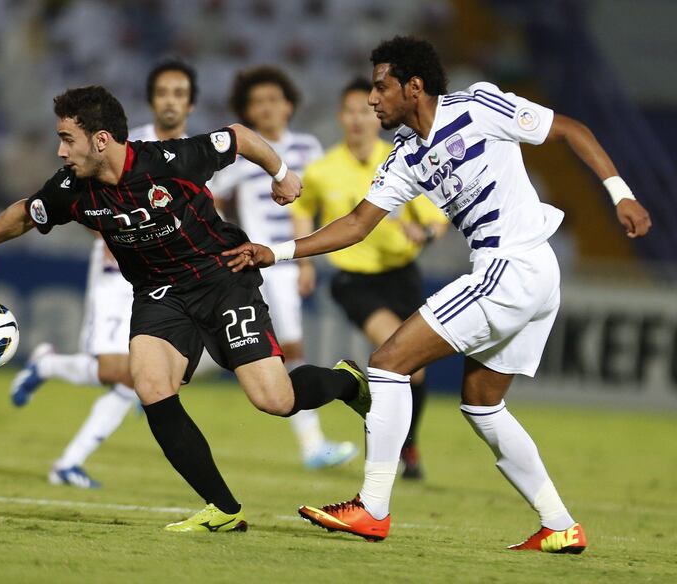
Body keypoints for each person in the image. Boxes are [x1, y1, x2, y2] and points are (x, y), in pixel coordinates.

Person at [224, 36, 651, 549]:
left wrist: (621, 195)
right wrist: (279, 252)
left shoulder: (478, 105)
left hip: (512, 265)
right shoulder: (405, 156)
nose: (372, 100)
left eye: (381, 87)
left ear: (415, 86)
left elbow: (569, 130)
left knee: (386, 363)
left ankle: (372, 508)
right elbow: (359, 224)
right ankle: (560, 525)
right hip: (527, 275)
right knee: (482, 404)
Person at [0, 85, 370, 533]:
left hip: (222, 280)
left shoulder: (168, 161)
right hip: (159, 293)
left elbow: (236, 136)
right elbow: (26, 212)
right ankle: (223, 507)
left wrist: (282, 173)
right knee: (152, 385)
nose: (60, 151)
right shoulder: (72, 190)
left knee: (274, 400)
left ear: (100, 140)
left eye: (67, 138)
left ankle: (346, 381)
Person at [9, 61, 201, 489]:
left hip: (172, 275)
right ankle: (50, 366)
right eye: (164, 92)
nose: (171, 99)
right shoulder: (127, 144)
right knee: (125, 373)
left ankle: (68, 463)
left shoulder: (192, 151)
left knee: (141, 379)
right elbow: (86, 200)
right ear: (152, 100)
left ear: (191, 101)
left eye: (180, 92)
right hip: (121, 273)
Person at [294, 77, 448, 479]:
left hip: (403, 275)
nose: (358, 118)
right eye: (350, 111)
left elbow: (436, 220)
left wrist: (425, 233)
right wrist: (305, 262)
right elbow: (302, 208)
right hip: (354, 281)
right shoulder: (323, 169)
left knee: (415, 370)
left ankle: (407, 447)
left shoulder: (402, 160)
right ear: (340, 116)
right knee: (397, 353)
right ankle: (376, 432)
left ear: (375, 113)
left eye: (365, 110)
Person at [211, 66, 358, 470]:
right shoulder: (242, 156)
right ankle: (312, 444)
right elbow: (210, 196)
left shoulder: (309, 148)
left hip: (292, 260)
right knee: (290, 347)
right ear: (249, 111)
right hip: (260, 263)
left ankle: (168, 377)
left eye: (274, 99)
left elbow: (317, 204)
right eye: (258, 102)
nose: (267, 108)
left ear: (289, 105)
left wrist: (307, 261)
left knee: (260, 345)